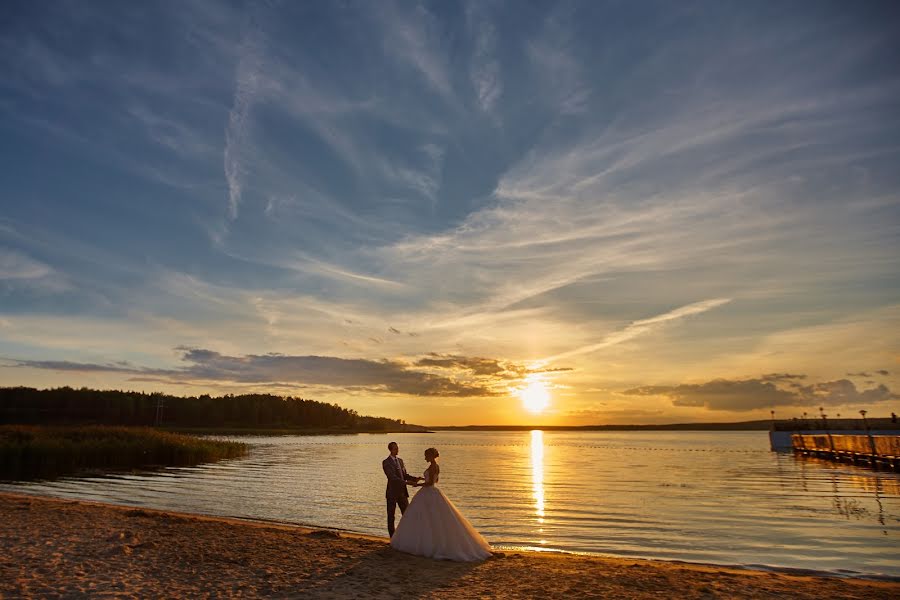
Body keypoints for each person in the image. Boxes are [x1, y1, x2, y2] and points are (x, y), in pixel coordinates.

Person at [390, 447, 492, 561]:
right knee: (428, 518)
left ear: (430, 456)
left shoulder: (433, 466)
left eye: (426, 455)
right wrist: (421, 479)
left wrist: (418, 485)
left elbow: (430, 483)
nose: (424, 457)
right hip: (429, 492)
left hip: (428, 492)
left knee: (430, 518)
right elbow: (434, 480)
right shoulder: (434, 466)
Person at [383, 441, 421, 537]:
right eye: (395, 448)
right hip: (392, 493)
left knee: (407, 514)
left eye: (397, 448)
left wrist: (415, 478)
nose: (397, 450)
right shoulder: (386, 462)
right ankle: (392, 537)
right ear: (390, 449)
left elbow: (404, 475)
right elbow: (392, 477)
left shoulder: (400, 461)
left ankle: (407, 536)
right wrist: (407, 483)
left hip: (402, 493)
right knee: (391, 516)